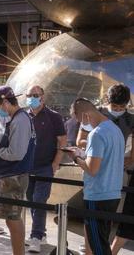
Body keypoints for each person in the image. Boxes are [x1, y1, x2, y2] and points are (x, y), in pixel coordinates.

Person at [66, 98, 124, 255]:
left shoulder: (96, 134)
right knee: (102, 241)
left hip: (97, 195)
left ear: (84, 115)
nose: (81, 125)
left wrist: (76, 158)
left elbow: (92, 169)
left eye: (79, 120)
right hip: (113, 193)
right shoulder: (115, 129)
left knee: (98, 245)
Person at [0, 86, 36, 255]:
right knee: (11, 218)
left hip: (15, 175)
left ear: (6, 102)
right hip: (12, 175)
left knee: (13, 218)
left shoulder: (20, 120)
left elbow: (16, 153)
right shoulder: (18, 118)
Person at [23, 85, 66, 253]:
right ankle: (41, 233)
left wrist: (55, 164)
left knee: (39, 201)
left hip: (45, 167)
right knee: (31, 201)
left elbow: (62, 141)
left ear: (43, 97)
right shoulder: (23, 116)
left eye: (35, 95)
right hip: (27, 167)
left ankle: (35, 236)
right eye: (29, 95)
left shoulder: (54, 117)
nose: (32, 97)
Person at [108, 84, 134, 254]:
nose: (118, 110)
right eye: (115, 107)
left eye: (121, 107)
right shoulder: (100, 115)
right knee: (126, 222)